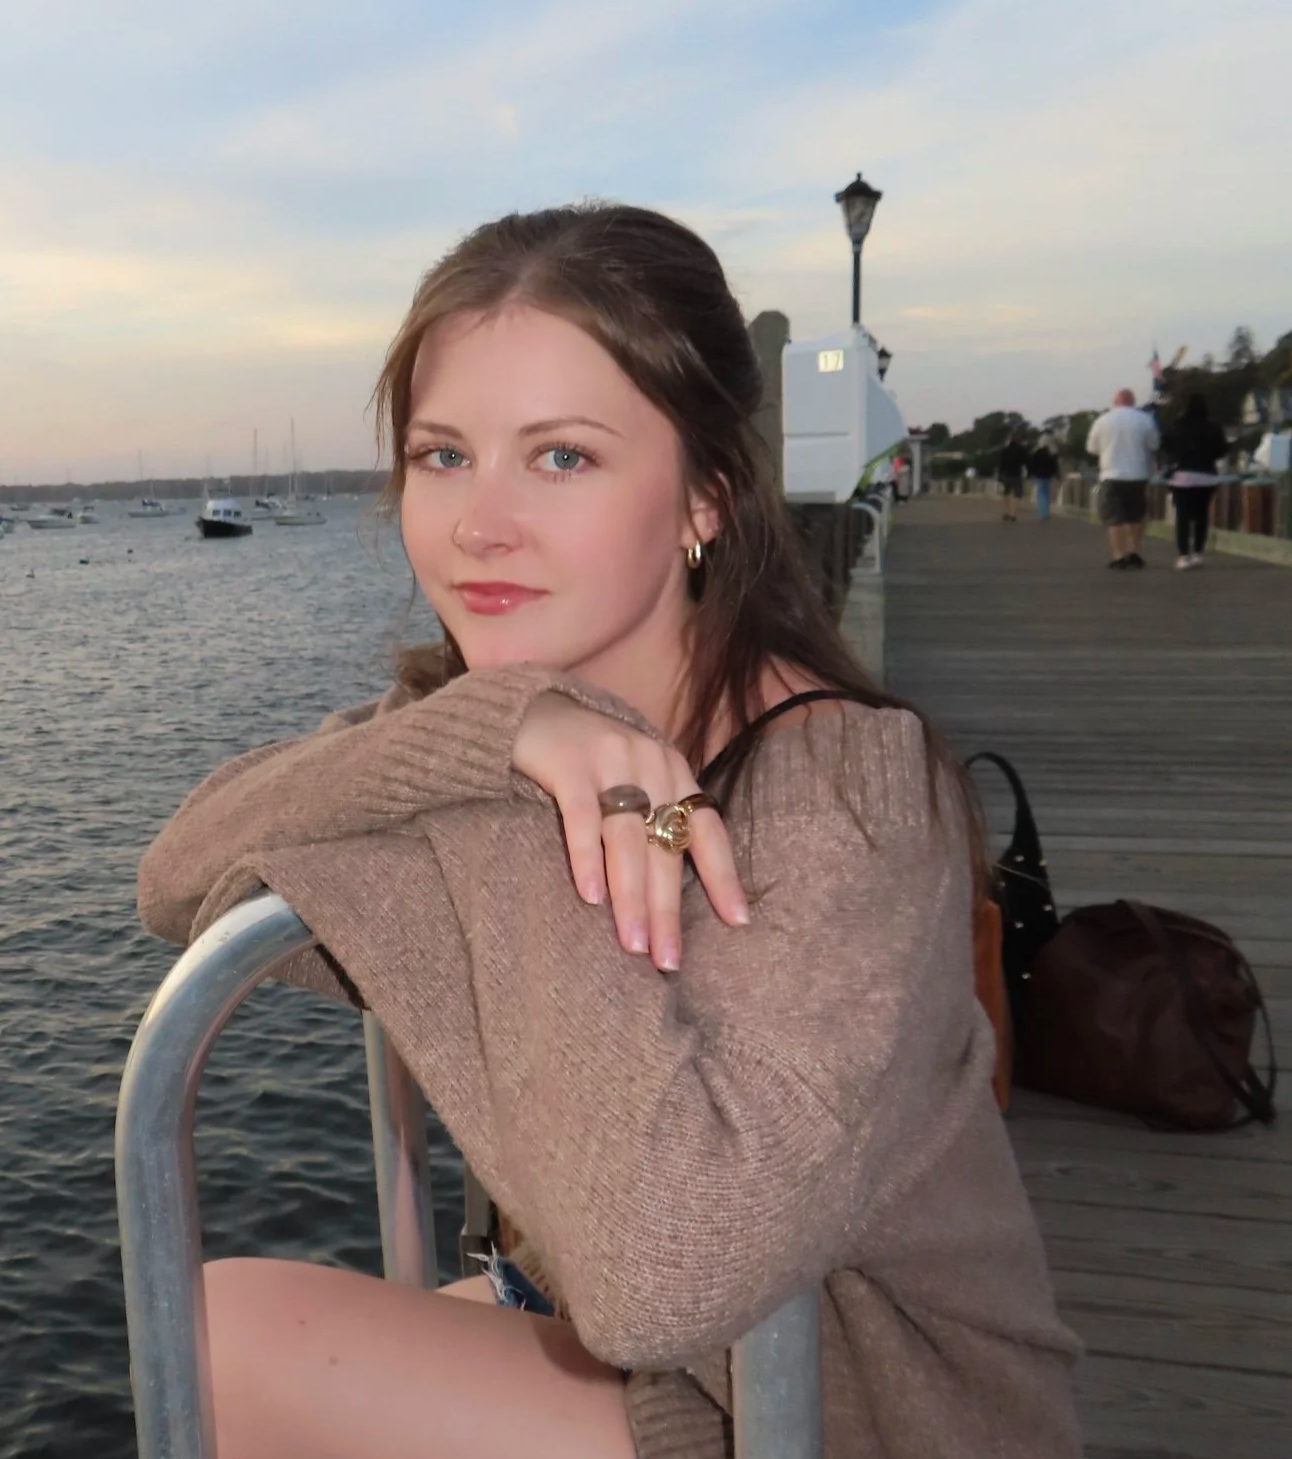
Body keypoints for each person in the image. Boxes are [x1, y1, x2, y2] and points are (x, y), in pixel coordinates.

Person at [138, 204, 1080, 1459]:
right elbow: (179, 871)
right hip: (639, 1347)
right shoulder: (489, 716)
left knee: (229, 1341)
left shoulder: (846, 789)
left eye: (563, 457)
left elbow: (662, 1273)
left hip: (852, 1409)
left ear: (706, 495)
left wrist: (507, 792)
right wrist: (500, 733)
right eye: (442, 454)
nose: (480, 523)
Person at [1086, 388, 1159, 568]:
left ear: (1115, 401)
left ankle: (1118, 555)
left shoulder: (1102, 420)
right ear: (1132, 401)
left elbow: (1092, 448)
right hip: (1138, 474)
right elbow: (1154, 444)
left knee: (1113, 517)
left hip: (1111, 474)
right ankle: (1133, 552)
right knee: (1135, 515)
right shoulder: (1145, 420)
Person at [1165, 393, 1226, 569]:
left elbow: (1165, 445)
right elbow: (1222, 450)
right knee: (1202, 515)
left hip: (1182, 476)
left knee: (1182, 517)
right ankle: (1198, 553)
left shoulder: (1177, 425)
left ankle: (1184, 556)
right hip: (1206, 476)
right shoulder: (1213, 427)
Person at [1027, 433, 1060, 522]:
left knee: (1040, 494)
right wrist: (1057, 475)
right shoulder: (1052, 454)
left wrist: (1030, 474)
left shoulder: (1036, 453)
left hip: (1038, 476)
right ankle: (1046, 512)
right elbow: (1055, 466)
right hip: (1048, 476)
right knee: (1046, 493)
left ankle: (1042, 512)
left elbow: (1031, 465)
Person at [995, 432, 1027, 520]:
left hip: (1006, 475)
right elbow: (1024, 462)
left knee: (1005, 493)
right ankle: (1014, 514)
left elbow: (1001, 464)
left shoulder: (1004, 450)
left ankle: (1006, 512)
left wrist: (999, 475)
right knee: (1017, 495)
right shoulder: (1021, 450)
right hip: (1017, 474)